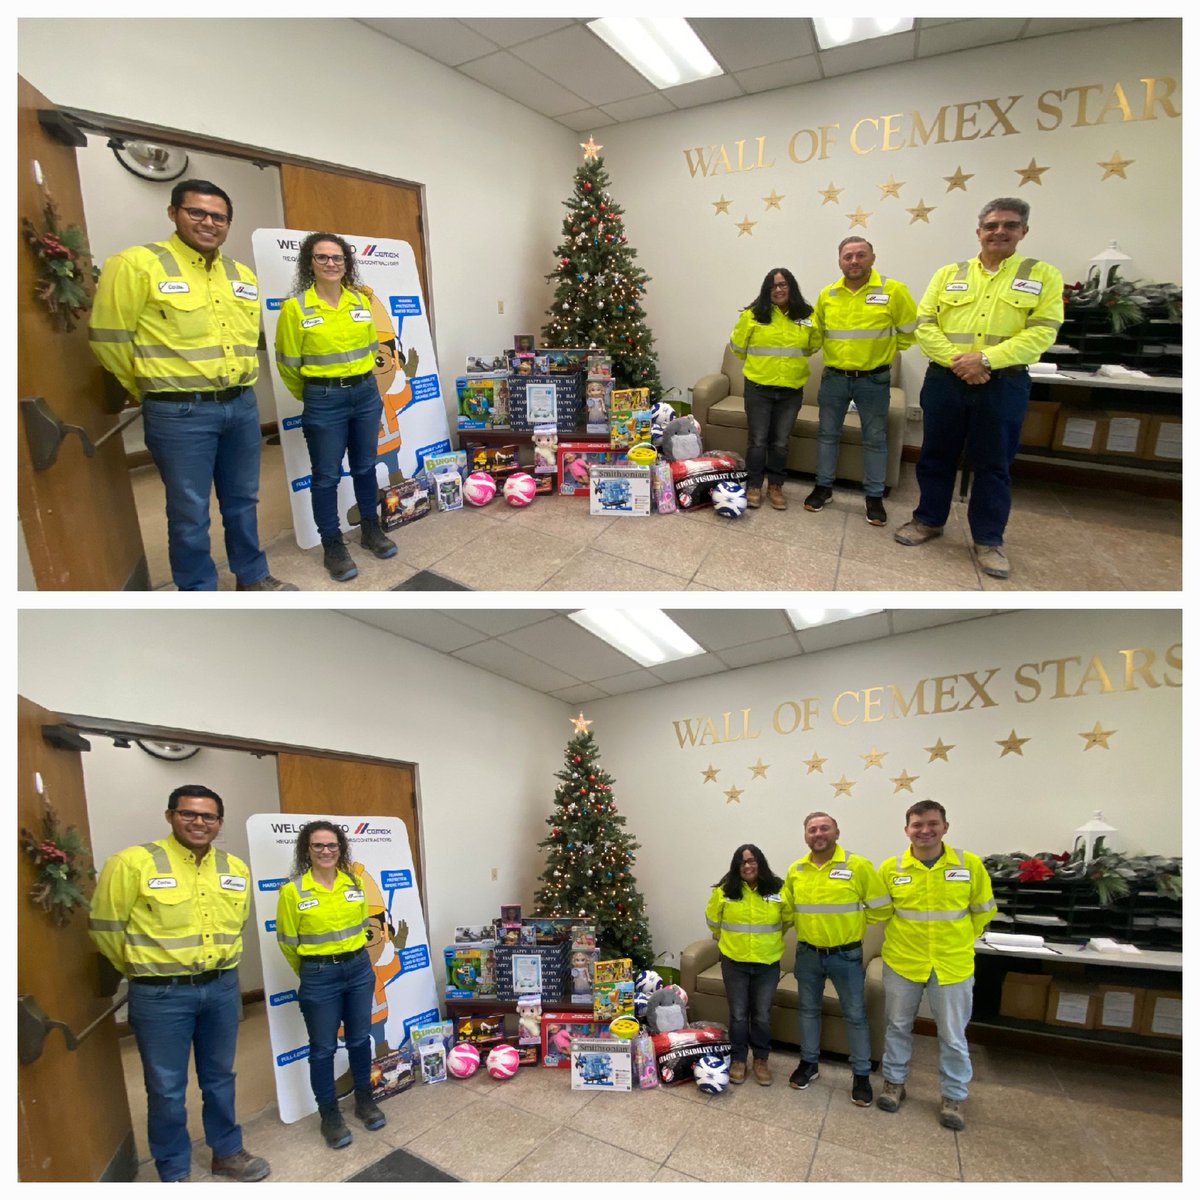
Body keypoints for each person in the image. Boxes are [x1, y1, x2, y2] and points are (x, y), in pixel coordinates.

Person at [89, 179, 295, 592]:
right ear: (173, 213)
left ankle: (252, 577)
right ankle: (198, 591)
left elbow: (248, 338)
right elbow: (108, 340)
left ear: (228, 223)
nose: (208, 222)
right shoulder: (136, 264)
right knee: (189, 511)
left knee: (243, 501)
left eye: (218, 216)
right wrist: (152, 386)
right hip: (178, 412)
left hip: (240, 406)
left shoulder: (240, 275)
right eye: (196, 212)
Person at [88, 785, 269, 1182]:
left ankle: (227, 1151)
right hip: (160, 993)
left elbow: (236, 925)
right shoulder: (134, 863)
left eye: (208, 816)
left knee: (220, 1076)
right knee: (166, 1087)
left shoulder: (234, 868)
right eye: (189, 814)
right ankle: (174, 1169)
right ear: (170, 815)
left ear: (220, 823)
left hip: (221, 987)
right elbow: (105, 929)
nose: (199, 823)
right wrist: (146, 967)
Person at [896, 197, 1064, 579]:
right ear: (979, 231)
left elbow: (1042, 333)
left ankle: (989, 540)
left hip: (1002, 383)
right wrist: (962, 361)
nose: (999, 232)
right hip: (946, 379)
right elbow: (925, 324)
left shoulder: (1042, 275)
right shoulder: (948, 273)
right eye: (991, 226)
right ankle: (928, 521)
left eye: (1009, 225)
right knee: (935, 455)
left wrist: (985, 360)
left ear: (1023, 231)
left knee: (993, 464)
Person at [274, 233, 398, 582]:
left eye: (337, 258)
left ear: (347, 263)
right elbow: (287, 364)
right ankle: (333, 544)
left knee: (364, 466)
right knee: (326, 475)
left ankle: (370, 530)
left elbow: (372, 345)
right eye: (322, 257)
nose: (331, 263)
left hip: (365, 394)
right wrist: (317, 393)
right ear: (309, 264)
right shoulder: (294, 308)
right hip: (324, 398)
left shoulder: (359, 301)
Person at [876, 800, 997, 1130]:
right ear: (906, 830)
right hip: (903, 961)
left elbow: (984, 911)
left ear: (945, 827)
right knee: (897, 1027)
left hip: (952, 964)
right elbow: (881, 914)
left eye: (932, 823)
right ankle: (894, 1083)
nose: (924, 830)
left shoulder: (968, 864)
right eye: (917, 825)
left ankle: (954, 1096)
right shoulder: (891, 868)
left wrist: (957, 941)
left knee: (953, 1035)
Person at [274, 821, 386, 1148]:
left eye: (332, 845)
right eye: (318, 846)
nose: (326, 851)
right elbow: (287, 942)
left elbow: (363, 926)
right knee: (322, 1048)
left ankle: (365, 1101)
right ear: (306, 851)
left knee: (358, 1039)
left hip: (358, 969)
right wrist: (313, 970)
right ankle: (330, 1115)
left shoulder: (353, 884)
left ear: (341, 849)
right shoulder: (293, 891)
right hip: (319, 974)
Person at [780, 812, 892, 1106]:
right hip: (807, 954)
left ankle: (861, 1075)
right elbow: (786, 911)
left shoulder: (858, 865)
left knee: (855, 1015)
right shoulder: (797, 869)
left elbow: (881, 908)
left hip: (846, 955)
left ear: (837, 832)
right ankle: (809, 1064)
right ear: (805, 835)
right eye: (812, 829)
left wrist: (853, 924)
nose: (818, 834)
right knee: (808, 1011)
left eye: (824, 828)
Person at [806, 238, 916, 526]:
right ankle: (823, 487)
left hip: (874, 379)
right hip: (834, 378)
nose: (854, 261)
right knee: (827, 434)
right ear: (839, 261)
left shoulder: (893, 290)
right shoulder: (828, 294)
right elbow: (815, 334)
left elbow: (908, 332)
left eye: (860, 255)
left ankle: (874, 496)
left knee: (875, 439)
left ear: (872, 258)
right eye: (847, 256)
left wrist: (884, 353)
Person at [728, 268, 821, 510]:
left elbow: (814, 345)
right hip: (759, 388)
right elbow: (738, 347)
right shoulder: (753, 315)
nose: (778, 290)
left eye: (783, 285)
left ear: (791, 287)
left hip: (791, 390)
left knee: (780, 442)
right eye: (772, 286)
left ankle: (776, 486)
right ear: (765, 290)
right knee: (757, 441)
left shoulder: (807, 316)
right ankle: (754, 485)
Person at [704, 844, 786, 1084]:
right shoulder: (724, 890)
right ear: (735, 866)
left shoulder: (778, 889)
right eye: (742, 862)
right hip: (734, 962)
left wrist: (767, 942)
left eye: (752, 861)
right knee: (739, 1015)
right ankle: (738, 1059)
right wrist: (730, 941)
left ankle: (761, 1060)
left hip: (767, 963)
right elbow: (712, 921)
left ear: (760, 862)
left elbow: (787, 919)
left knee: (761, 1015)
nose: (747, 866)